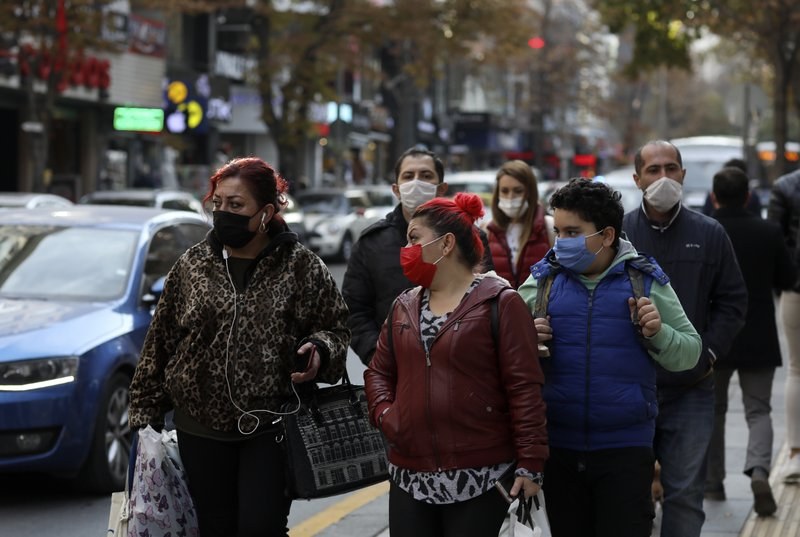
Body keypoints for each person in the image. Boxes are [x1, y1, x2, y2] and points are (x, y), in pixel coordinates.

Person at [128, 157, 350, 537]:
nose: (223, 213)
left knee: (259, 527)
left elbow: (336, 329)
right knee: (215, 527)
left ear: (266, 212)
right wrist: (142, 418)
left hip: (270, 427)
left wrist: (320, 349)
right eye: (218, 203)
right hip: (199, 427)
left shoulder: (302, 266)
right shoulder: (192, 264)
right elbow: (160, 342)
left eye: (236, 205)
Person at [518, 179, 702, 537]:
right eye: (558, 231)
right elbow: (498, 355)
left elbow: (690, 353)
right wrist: (526, 339)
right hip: (557, 449)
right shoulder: (542, 283)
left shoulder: (645, 282)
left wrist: (657, 333)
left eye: (573, 231)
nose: (562, 243)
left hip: (626, 451)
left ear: (606, 235)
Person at [364, 192, 547, 537]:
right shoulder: (403, 305)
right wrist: (387, 415)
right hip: (410, 474)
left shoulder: (499, 303)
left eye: (414, 238)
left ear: (446, 244)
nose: (407, 248)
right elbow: (379, 372)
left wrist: (530, 463)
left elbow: (524, 388)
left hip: (482, 476)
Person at [622, 140, 747, 537]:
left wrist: (708, 353)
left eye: (671, 168)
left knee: (685, 496)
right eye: (653, 170)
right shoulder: (618, 235)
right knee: (627, 496)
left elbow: (733, 301)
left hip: (691, 389)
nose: (663, 177)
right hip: (629, 389)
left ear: (683, 174)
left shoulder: (709, 233)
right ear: (637, 178)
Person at [342, 146, 494, 366]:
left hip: (460, 365)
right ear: (396, 189)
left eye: (425, 176)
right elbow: (354, 310)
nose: (416, 182)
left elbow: (486, 299)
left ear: (441, 188)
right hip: (396, 368)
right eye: (408, 176)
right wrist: (379, 357)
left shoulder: (469, 237)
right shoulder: (372, 242)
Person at [705, 166, 795, 516]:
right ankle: (759, 470)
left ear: (714, 197)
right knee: (759, 410)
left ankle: (713, 482)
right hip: (758, 334)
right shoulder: (768, 231)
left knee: (713, 411)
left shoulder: (708, 232)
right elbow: (788, 277)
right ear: (747, 196)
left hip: (716, 336)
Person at [768, 166, 800, 484]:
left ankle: (795, 454)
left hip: (796, 289)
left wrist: (784, 281)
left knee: (796, 369)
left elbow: (775, 241)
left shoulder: (785, 186)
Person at [486, 160, 553, 288]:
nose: (510, 197)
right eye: (504, 191)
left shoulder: (549, 227)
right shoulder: (488, 230)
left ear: (530, 193)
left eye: (518, 191)